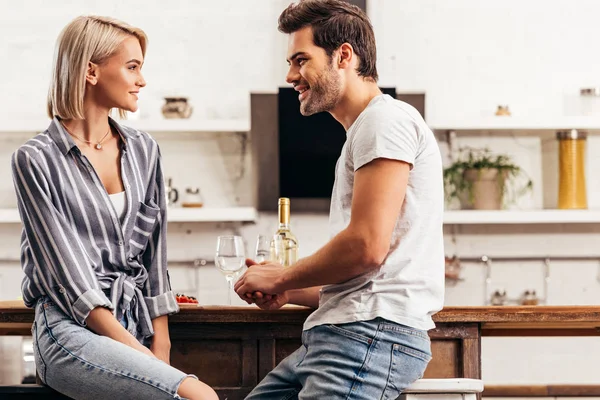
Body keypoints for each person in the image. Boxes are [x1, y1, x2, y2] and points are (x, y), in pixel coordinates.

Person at [234, 1, 445, 399]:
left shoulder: (385, 122)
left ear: (343, 55)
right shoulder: (367, 130)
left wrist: (281, 275)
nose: (291, 75)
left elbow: (365, 248)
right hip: (344, 334)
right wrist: (289, 291)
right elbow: (368, 280)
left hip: (367, 337)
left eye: (301, 60)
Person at [12, 15, 218, 400]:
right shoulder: (35, 160)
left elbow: (155, 257)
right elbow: (70, 281)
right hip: (68, 330)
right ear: (91, 70)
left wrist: (162, 345)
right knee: (199, 396)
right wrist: (143, 357)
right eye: (132, 67)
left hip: (133, 319)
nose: (142, 80)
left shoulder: (144, 150)